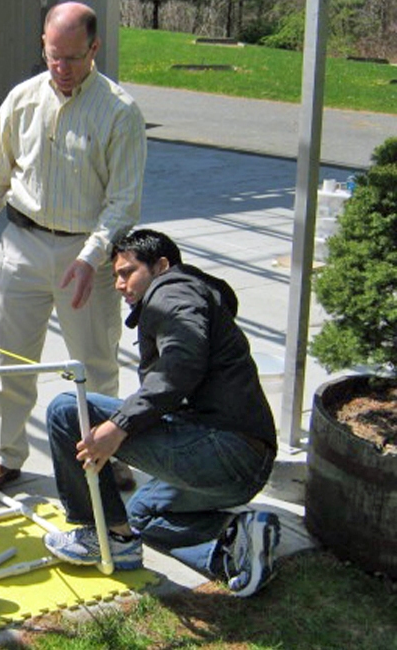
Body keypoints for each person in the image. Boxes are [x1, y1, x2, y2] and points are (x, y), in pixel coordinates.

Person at [0, 1, 147, 490]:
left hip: (87, 253)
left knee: (94, 363)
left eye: (73, 58)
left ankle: (102, 454)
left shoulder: (119, 112)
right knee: (11, 358)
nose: (61, 68)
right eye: (52, 56)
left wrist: (91, 257)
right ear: (42, 46)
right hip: (23, 245)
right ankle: (6, 453)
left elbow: (123, 202)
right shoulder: (22, 100)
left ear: (95, 48)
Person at [42, 229, 280, 597]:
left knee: (67, 411)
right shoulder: (190, 293)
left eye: (127, 272)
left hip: (223, 450)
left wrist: (120, 425)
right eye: (116, 276)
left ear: (162, 266)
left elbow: (181, 364)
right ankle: (232, 547)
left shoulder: (171, 290)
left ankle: (103, 536)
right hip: (243, 465)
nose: (120, 285)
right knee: (142, 514)